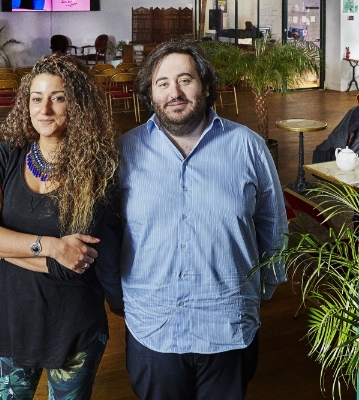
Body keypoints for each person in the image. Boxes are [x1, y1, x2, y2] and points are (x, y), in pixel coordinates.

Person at [114, 40, 288, 399]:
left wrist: (261, 291)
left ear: (206, 86)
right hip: (153, 329)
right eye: (162, 83)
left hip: (228, 325)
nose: (174, 92)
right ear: (151, 93)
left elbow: (273, 226)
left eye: (185, 79)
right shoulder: (125, 151)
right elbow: (108, 231)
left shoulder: (248, 147)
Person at [0, 53, 122, 400]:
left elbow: (72, 266)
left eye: (58, 98)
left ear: (78, 105)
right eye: (36, 98)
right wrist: (49, 245)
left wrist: (0, 247)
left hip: (73, 330)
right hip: (10, 323)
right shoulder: (4, 157)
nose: (44, 109)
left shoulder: (96, 170)